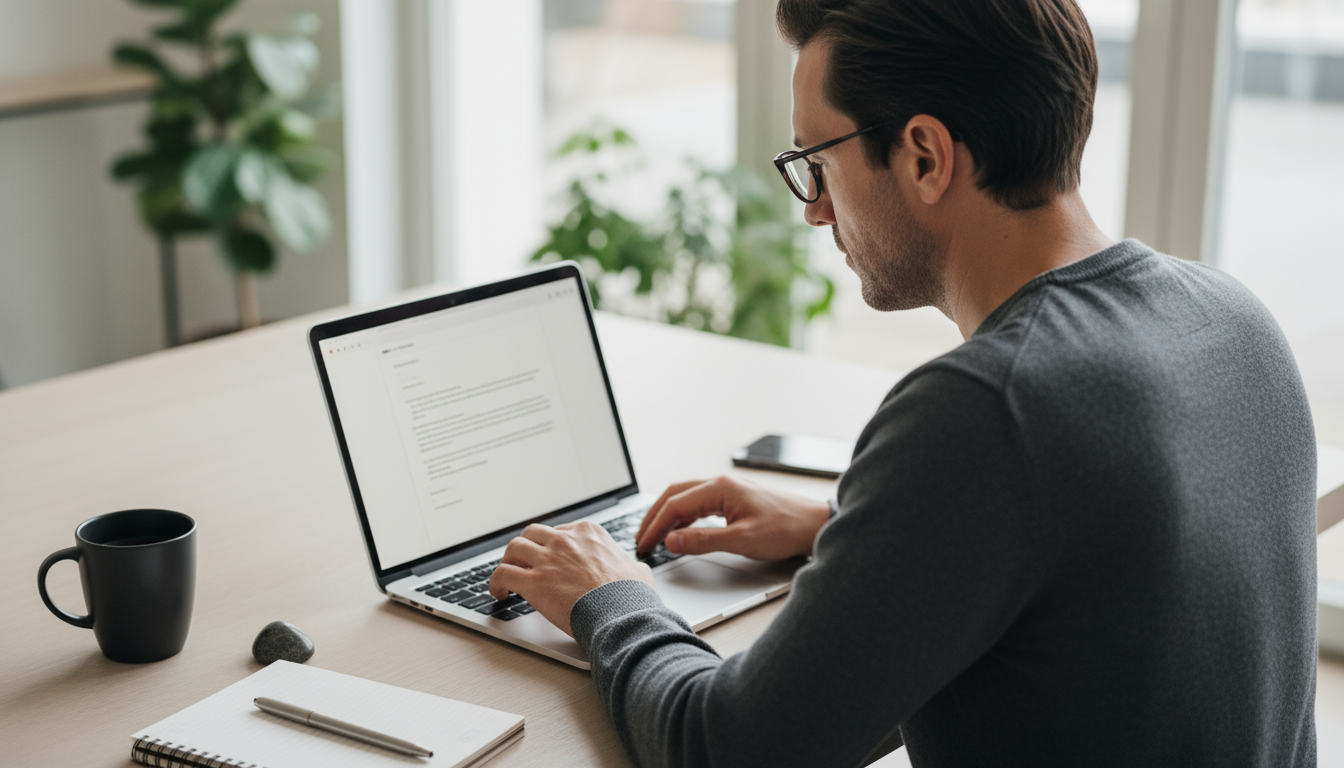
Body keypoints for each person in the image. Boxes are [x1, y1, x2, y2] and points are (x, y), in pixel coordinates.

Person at [488, 0, 1319, 765]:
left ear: (923, 155)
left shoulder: (989, 408)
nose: (813, 209)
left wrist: (614, 596)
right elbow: (1095, 559)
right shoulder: (1233, 318)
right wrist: (842, 527)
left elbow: (727, 749)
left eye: (816, 160)